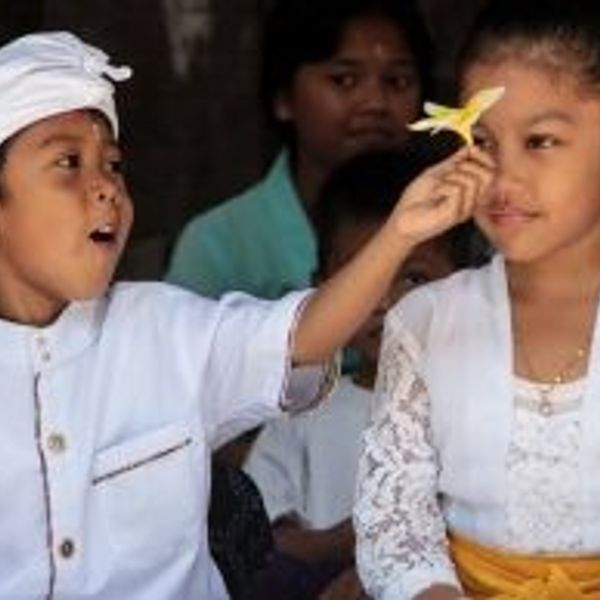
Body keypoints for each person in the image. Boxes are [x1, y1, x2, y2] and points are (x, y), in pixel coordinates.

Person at [0, 30, 487, 600]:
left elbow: (302, 336)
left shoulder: (166, 330)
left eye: (113, 164)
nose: (105, 187)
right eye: (68, 163)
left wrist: (400, 232)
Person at [353, 1, 600, 598]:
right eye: (482, 140)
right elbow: (397, 525)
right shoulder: (427, 320)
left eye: (540, 141)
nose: (503, 176)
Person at [243, 146, 470, 600]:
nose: (384, 302)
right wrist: (356, 541)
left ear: (466, 285)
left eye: (413, 278)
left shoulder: (476, 406)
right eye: (363, 276)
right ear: (322, 287)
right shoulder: (302, 410)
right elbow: (265, 543)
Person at [165, 0, 433, 300]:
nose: (376, 103)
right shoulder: (219, 246)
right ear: (283, 98)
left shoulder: (454, 227)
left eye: (397, 81)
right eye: (344, 80)